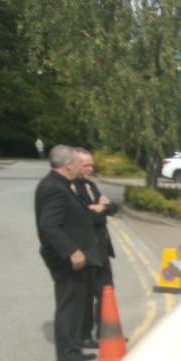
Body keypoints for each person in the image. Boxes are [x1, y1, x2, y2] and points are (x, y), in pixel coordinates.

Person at [34, 144, 102, 361]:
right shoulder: (53, 187)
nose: (78, 166)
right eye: (76, 162)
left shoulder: (62, 184)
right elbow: (49, 225)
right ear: (68, 164)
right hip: (66, 260)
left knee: (77, 306)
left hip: (75, 257)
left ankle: (75, 349)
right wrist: (72, 251)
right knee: (69, 307)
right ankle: (68, 357)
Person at [72, 148, 118, 345]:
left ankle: (105, 331)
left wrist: (103, 207)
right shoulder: (70, 188)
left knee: (106, 292)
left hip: (101, 250)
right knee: (85, 295)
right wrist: (101, 208)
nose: (91, 169)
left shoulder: (90, 185)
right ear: (72, 165)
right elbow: (83, 217)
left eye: (92, 164)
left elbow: (114, 207)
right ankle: (83, 335)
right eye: (86, 165)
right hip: (85, 250)